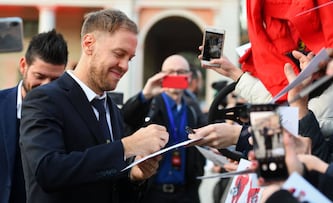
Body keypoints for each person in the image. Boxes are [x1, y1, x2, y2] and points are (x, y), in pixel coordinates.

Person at [19, 9, 169, 203]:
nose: (124, 66)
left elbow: (108, 181)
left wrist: (134, 175)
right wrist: (126, 147)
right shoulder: (44, 98)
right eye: (119, 53)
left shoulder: (112, 109)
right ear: (89, 44)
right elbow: (48, 171)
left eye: (129, 58)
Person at [122, 54, 207, 203]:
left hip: (186, 193)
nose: (175, 75)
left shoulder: (193, 108)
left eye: (181, 72)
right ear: (161, 75)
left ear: (188, 76)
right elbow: (125, 118)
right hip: (153, 193)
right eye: (170, 72)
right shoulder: (149, 104)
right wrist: (144, 95)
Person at [0, 29, 68, 203]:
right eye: (40, 76)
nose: (46, 86)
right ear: (23, 65)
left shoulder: (69, 114)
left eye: (55, 80)